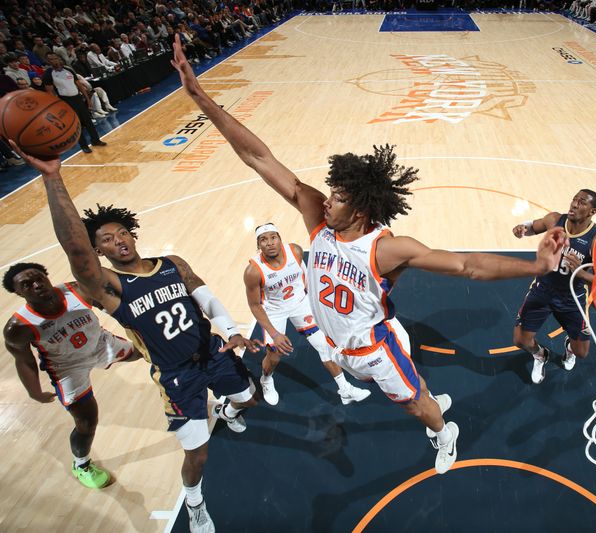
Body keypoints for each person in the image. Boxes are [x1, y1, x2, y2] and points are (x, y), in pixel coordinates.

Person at [171, 34, 567, 475]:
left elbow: (466, 265)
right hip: (338, 344)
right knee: (404, 389)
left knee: (416, 407)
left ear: (359, 207)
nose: (326, 201)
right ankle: (423, 394)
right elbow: (259, 158)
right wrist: (200, 97)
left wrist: (535, 265)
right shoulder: (319, 223)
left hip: (374, 346)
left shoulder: (384, 248)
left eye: (337, 197)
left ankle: (443, 431)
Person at [9, 147, 262, 533]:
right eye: (107, 240)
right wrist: (52, 177)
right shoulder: (109, 288)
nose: (119, 240)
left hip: (214, 352)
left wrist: (230, 331)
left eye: (123, 232)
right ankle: (195, 502)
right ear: (99, 252)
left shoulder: (173, 264)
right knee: (197, 454)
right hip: (177, 376)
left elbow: (205, 297)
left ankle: (226, 410)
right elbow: (76, 250)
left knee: (249, 398)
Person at [3, 262, 141, 489]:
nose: (37, 285)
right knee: (86, 422)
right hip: (67, 368)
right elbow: (24, 361)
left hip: (100, 344)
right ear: (17, 293)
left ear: (47, 275)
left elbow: (113, 306)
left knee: (147, 351)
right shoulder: (18, 327)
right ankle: (82, 465)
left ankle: (181, 392)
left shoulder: (78, 290)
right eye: (27, 285)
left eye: (39, 278)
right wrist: (34, 391)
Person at [245, 223, 371, 406]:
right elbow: (255, 305)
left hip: (300, 303)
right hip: (274, 310)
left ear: (280, 238)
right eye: (264, 240)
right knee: (275, 355)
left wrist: (317, 304)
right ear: (259, 245)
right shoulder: (253, 271)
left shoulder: (295, 252)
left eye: (273, 237)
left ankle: (345, 390)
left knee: (324, 345)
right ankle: (266, 379)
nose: (270, 243)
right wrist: (274, 334)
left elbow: (307, 278)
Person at [511, 190, 596, 384]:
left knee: (581, 353)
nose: (574, 204)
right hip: (542, 290)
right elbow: (533, 226)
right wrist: (522, 229)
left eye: (582, 203)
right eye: (574, 199)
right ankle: (540, 355)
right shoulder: (555, 219)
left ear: (592, 211)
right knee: (520, 340)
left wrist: (579, 273)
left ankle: (569, 348)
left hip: (572, 297)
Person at [41, 52, 107, 154]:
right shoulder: (48, 74)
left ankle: (96, 140)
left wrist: (87, 98)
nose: (54, 60)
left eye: (55, 58)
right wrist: (58, 106)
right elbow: (50, 92)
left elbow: (79, 85)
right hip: (66, 101)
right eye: (51, 59)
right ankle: (84, 146)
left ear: (59, 58)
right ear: (48, 61)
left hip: (78, 98)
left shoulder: (68, 69)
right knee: (77, 124)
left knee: (88, 121)